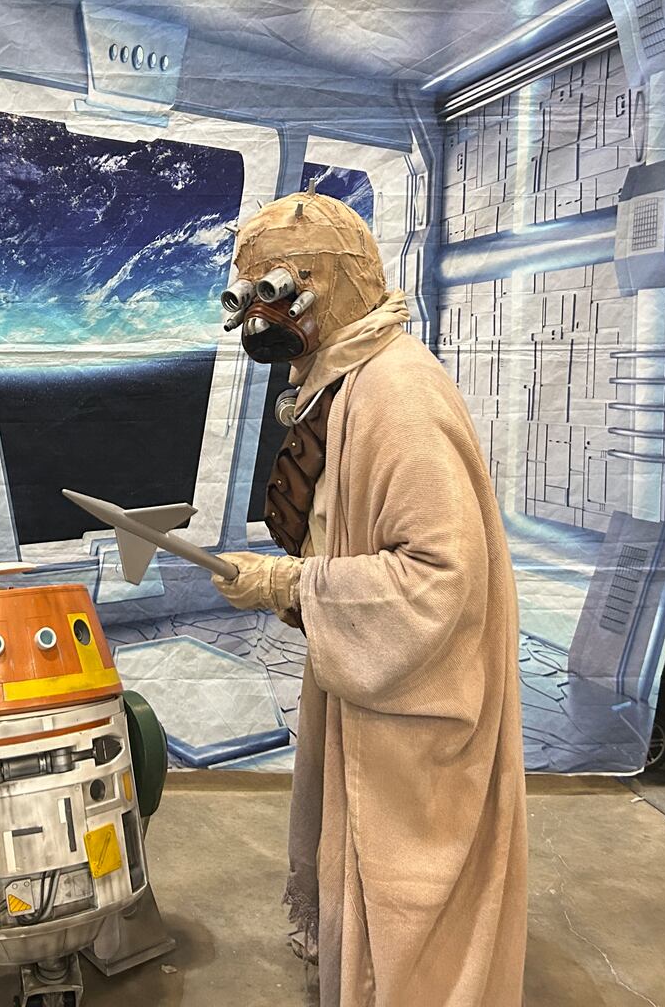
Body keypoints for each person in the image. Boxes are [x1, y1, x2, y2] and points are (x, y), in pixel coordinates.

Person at [210, 189, 527, 1005]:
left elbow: (437, 581)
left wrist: (293, 582)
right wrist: (300, 586)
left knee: (407, 893)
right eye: (249, 296)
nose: (259, 318)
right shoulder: (347, 379)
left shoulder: (397, 395)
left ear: (329, 285)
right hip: (369, 685)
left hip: (416, 706)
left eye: (276, 292)